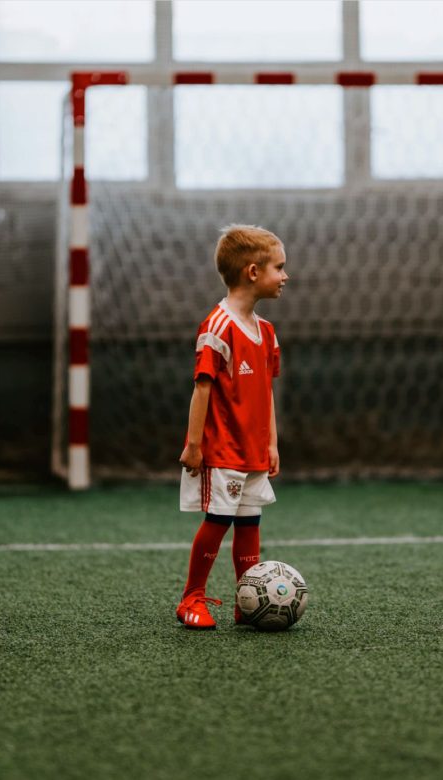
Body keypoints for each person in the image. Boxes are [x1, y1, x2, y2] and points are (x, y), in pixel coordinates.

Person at [176, 224, 288, 629]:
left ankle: (247, 600)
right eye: (279, 267)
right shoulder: (217, 327)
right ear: (253, 272)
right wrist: (194, 445)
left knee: (250, 522)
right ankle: (191, 598)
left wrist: (271, 444)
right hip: (223, 449)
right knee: (218, 521)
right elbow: (201, 389)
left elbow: (266, 392)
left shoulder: (267, 332)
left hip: (252, 449)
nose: (286, 276)